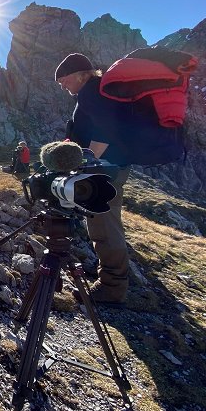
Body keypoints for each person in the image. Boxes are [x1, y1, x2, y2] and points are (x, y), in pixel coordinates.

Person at [55, 53, 132, 305]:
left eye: (64, 80)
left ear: (80, 74)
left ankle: (112, 287)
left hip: (104, 170)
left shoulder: (91, 91)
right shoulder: (93, 92)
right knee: (101, 223)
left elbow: (105, 130)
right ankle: (109, 276)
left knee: (104, 226)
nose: (62, 86)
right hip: (108, 167)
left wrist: (87, 161)